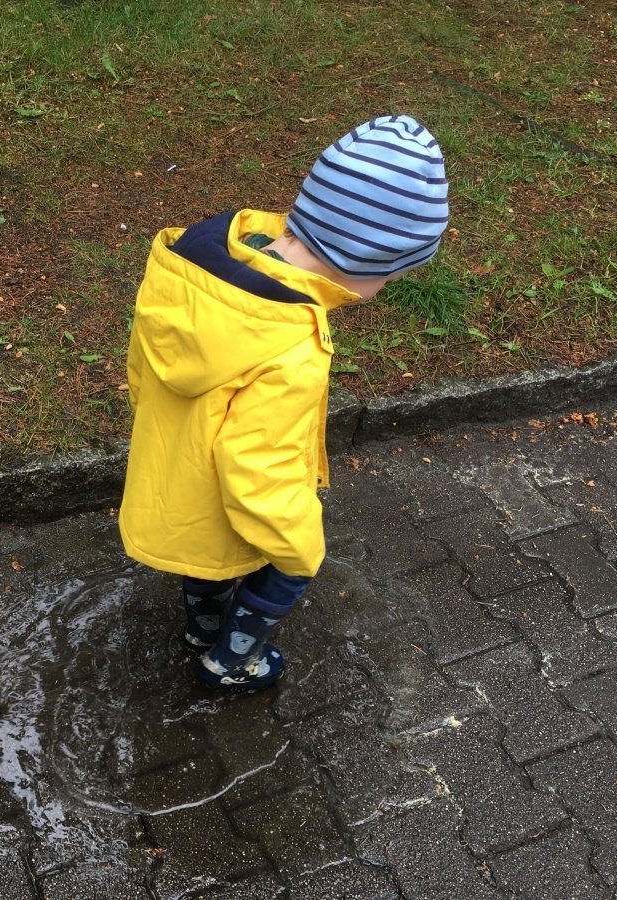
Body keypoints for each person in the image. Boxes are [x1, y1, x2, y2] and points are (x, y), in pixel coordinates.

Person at [118, 116, 449, 689]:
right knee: (288, 568)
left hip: (177, 477)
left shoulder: (201, 272)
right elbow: (258, 471)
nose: (383, 289)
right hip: (229, 506)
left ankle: (201, 628)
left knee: (207, 565)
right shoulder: (288, 347)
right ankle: (229, 663)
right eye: (390, 276)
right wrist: (298, 541)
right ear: (364, 261)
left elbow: (143, 374)